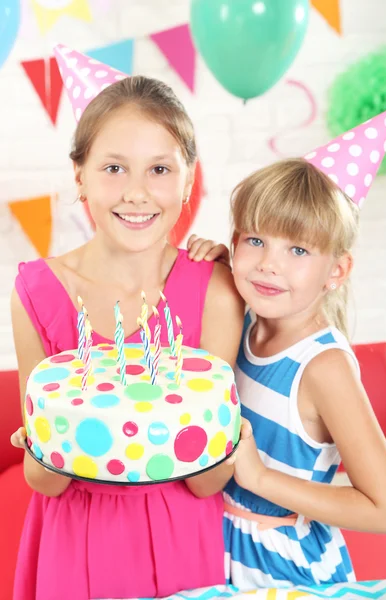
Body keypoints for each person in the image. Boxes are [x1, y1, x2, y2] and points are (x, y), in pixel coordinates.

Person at [10, 72, 244, 600]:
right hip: (73, 542)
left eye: (160, 169)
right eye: (113, 168)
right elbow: (44, 477)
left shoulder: (217, 291)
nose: (136, 192)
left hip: (182, 539)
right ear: (80, 176)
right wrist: (45, 446)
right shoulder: (36, 293)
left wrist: (228, 447)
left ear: (189, 181)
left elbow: (207, 478)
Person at [187, 158, 386, 588]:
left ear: (336, 271)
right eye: (256, 240)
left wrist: (262, 478)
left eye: (298, 250)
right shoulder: (241, 320)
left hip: (284, 568)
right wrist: (222, 271)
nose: (269, 264)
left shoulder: (323, 367)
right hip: (215, 544)